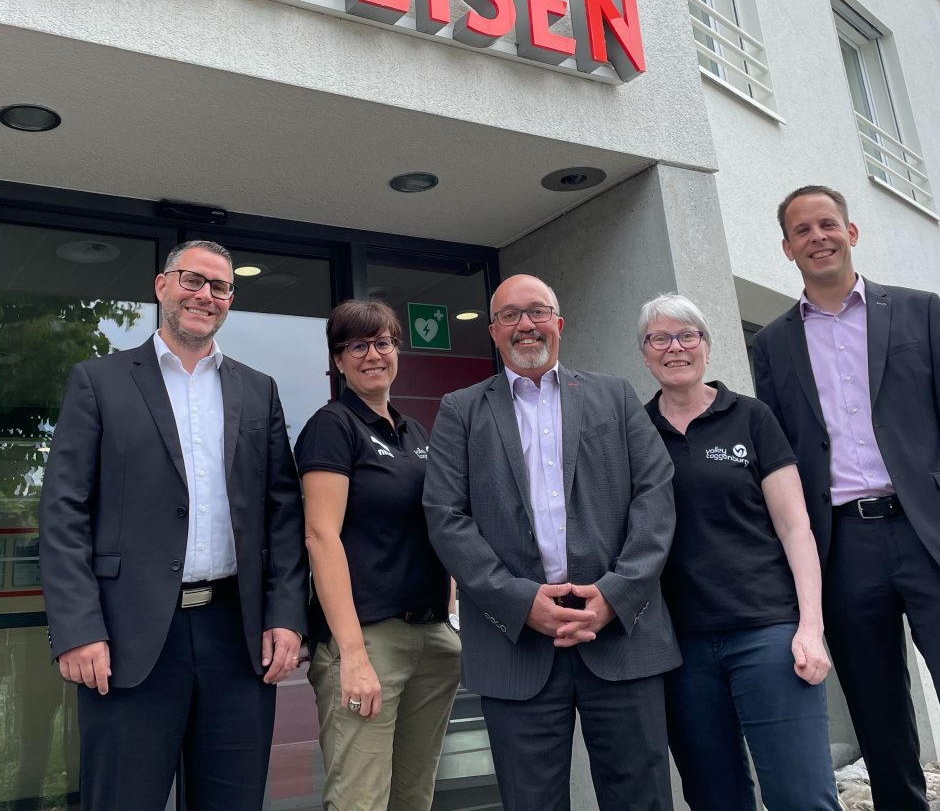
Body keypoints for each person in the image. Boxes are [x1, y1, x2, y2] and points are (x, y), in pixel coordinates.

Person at [752, 184, 940, 810]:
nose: (817, 237)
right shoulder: (772, 345)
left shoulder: (917, 311)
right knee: (882, 736)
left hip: (937, 540)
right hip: (843, 549)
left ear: (851, 233)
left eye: (828, 224)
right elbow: (781, 465)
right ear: (787, 248)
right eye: (802, 230)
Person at [38, 239, 308, 811]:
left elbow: (283, 513)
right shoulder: (99, 381)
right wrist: (78, 626)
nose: (204, 296)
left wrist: (286, 615)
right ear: (162, 286)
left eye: (220, 287)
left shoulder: (258, 389)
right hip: (127, 638)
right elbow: (63, 511)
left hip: (238, 639)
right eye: (192, 280)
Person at [422, 274, 678, 811]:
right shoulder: (460, 410)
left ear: (559, 324)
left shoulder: (615, 395)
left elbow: (655, 495)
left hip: (620, 634)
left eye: (537, 311)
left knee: (642, 798)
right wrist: (518, 602)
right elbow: (446, 517)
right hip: (517, 645)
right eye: (510, 315)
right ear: (493, 332)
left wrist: (616, 593)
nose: (525, 325)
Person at [639, 292, 836, 811]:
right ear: (645, 352)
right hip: (682, 649)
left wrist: (811, 628)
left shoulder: (751, 418)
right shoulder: (635, 433)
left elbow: (797, 529)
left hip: (768, 634)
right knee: (714, 798)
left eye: (687, 336)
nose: (674, 347)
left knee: (801, 796)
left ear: (707, 345)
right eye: (660, 338)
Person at [297, 299, 460, 811]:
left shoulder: (416, 433)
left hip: (432, 638)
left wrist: (451, 612)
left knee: (413, 798)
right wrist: (353, 655)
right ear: (338, 361)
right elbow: (321, 537)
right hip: (370, 640)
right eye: (357, 345)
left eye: (383, 342)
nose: (373, 355)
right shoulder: (333, 426)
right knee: (360, 801)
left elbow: (441, 524)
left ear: (397, 352)